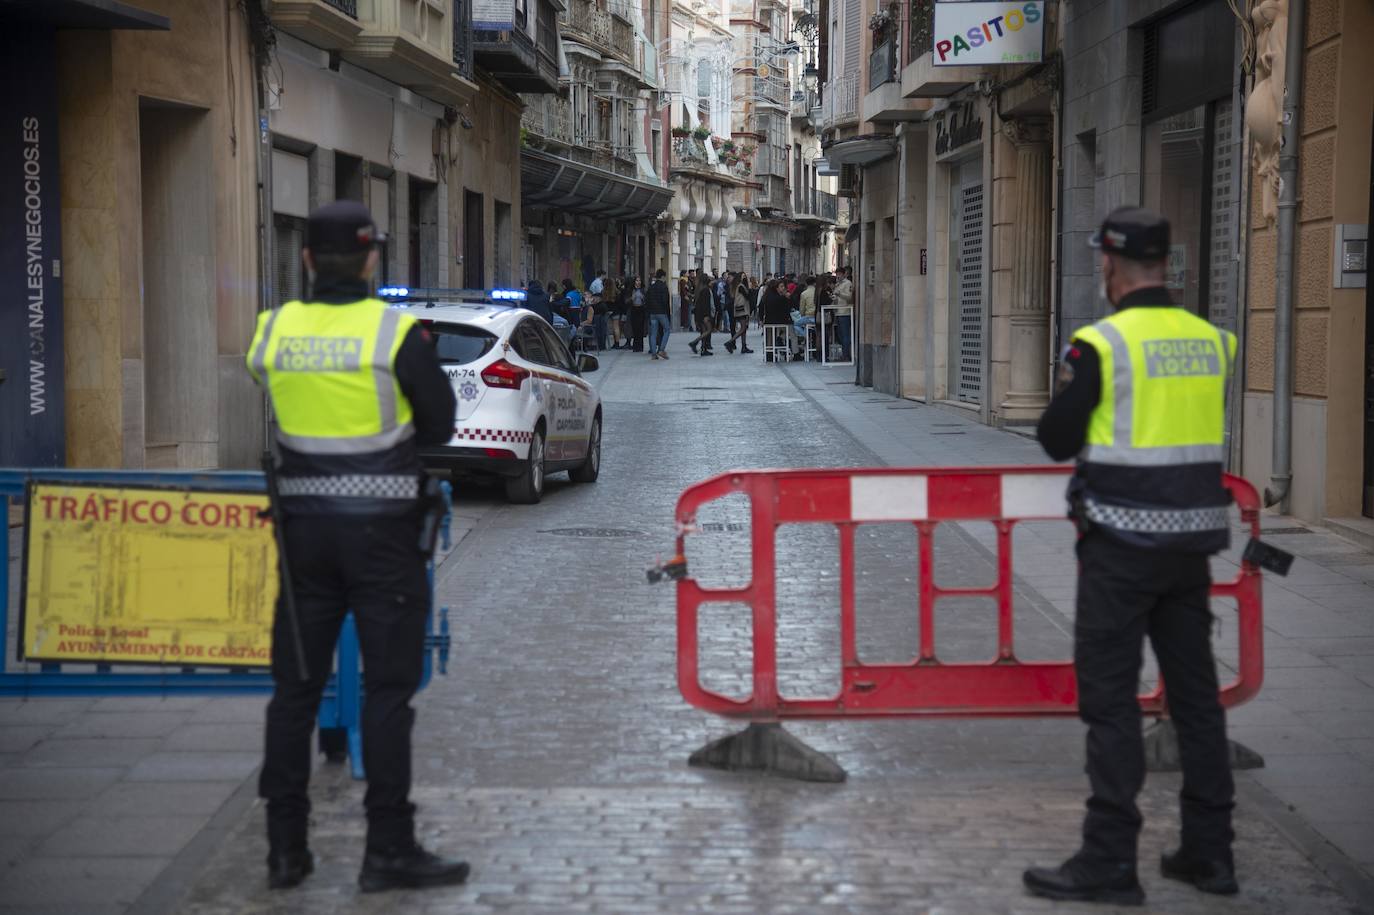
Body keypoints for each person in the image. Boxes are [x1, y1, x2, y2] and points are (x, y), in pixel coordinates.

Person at [246, 201, 467, 894]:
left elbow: (264, 377)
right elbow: (440, 421)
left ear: (307, 259)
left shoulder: (274, 331)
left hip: (302, 540)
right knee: (388, 690)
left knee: (294, 693)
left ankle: (285, 851)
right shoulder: (392, 333)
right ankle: (388, 849)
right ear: (372, 260)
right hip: (384, 538)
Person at [1023, 207, 1239, 907]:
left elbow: (1055, 437)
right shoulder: (1212, 341)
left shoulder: (1103, 344)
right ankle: (1211, 853)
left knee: (1112, 704)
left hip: (1119, 548)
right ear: (1168, 267)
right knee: (1198, 702)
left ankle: (1111, 859)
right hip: (1191, 552)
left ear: (1109, 266)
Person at [724, 275, 754, 354]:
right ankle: (730, 342)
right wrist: (750, 289)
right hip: (742, 309)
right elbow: (747, 296)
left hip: (740, 309)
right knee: (743, 328)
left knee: (743, 329)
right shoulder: (740, 286)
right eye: (743, 276)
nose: (745, 278)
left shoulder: (738, 286)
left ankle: (744, 346)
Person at [646, 269, 672, 359]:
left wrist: (648, 313)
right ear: (663, 277)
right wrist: (668, 314)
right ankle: (661, 349)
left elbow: (647, 300)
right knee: (667, 329)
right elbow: (665, 301)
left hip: (652, 313)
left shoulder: (651, 287)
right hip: (661, 312)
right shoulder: (664, 287)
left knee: (653, 333)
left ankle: (653, 354)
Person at [793, 275, 817, 360]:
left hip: (808, 317)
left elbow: (802, 308)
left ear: (806, 284)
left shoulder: (804, 293)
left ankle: (805, 335)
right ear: (815, 283)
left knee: (795, 324)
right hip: (817, 317)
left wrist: (802, 315)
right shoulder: (818, 292)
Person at [689, 274, 715, 355]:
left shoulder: (699, 290)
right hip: (704, 314)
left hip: (699, 314)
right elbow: (706, 305)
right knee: (709, 330)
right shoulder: (706, 290)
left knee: (703, 331)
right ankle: (694, 342)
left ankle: (703, 349)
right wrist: (707, 316)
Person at [628, 276, 647, 352]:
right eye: (637, 280)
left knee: (641, 328)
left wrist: (644, 299)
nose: (638, 282)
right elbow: (626, 300)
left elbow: (647, 300)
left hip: (641, 309)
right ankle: (635, 346)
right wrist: (631, 298)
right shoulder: (631, 290)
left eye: (639, 280)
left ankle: (640, 346)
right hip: (633, 309)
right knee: (635, 327)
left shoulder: (643, 290)